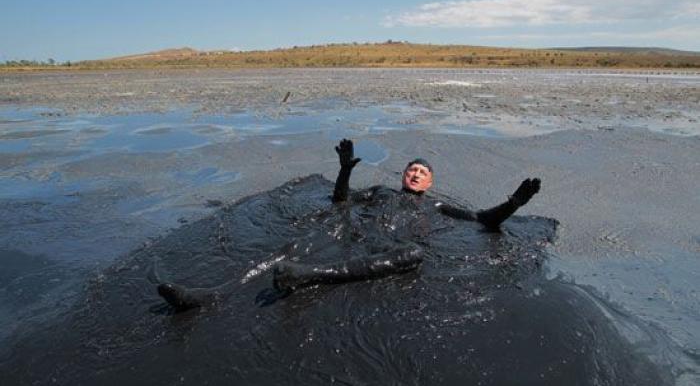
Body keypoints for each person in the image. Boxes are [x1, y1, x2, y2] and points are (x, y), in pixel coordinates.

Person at [157, 139, 540, 310]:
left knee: (413, 253)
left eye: (423, 172)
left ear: (430, 183)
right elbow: (342, 201)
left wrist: (512, 203)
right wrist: (343, 173)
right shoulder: (379, 192)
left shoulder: (439, 205)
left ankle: (309, 275)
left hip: (387, 251)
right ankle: (209, 295)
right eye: (411, 170)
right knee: (286, 249)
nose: (416, 174)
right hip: (354, 235)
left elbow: (481, 220)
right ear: (402, 175)